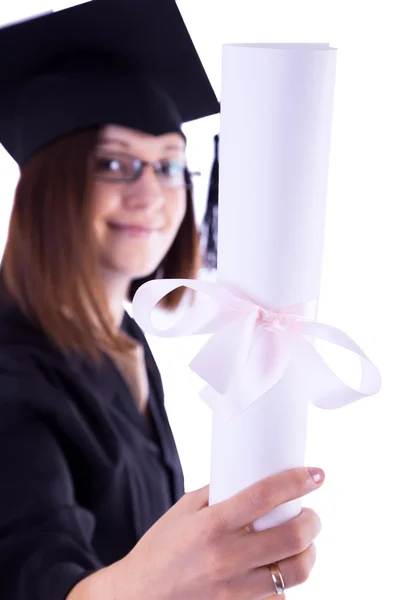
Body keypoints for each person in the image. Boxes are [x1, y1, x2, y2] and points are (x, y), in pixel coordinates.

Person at [0, 1, 324, 598]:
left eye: (170, 165)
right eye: (117, 164)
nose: (152, 192)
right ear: (49, 186)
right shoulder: (10, 369)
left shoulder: (121, 333)